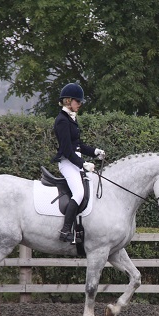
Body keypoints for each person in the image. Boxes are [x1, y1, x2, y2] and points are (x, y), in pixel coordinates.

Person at [52, 83, 105, 242]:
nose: (80, 105)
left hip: (74, 161)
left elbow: (78, 145)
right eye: (78, 102)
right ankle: (66, 230)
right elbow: (68, 150)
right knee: (79, 193)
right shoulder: (62, 120)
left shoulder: (70, 119)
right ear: (68, 101)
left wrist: (94, 152)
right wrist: (83, 164)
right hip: (67, 162)